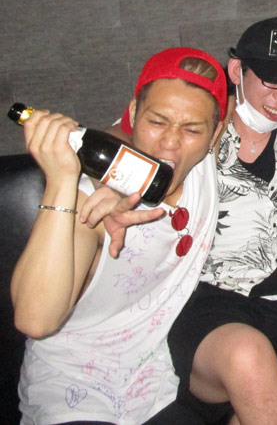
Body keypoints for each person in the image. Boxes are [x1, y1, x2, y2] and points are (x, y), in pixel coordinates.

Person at [12, 47, 227, 424]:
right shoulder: (94, 207)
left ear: (215, 134)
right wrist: (64, 181)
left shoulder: (204, 161)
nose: (171, 142)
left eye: (192, 129)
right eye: (157, 122)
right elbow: (35, 320)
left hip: (157, 382)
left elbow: (265, 96)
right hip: (71, 391)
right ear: (133, 113)